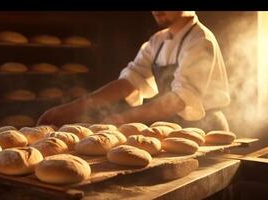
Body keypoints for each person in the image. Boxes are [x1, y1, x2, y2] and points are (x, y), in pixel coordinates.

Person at [38, 11, 231, 132]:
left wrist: (122, 119)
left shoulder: (200, 41)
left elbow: (179, 99)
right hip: (174, 128)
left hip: (205, 130)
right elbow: (129, 82)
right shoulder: (158, 40)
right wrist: (75, 107)